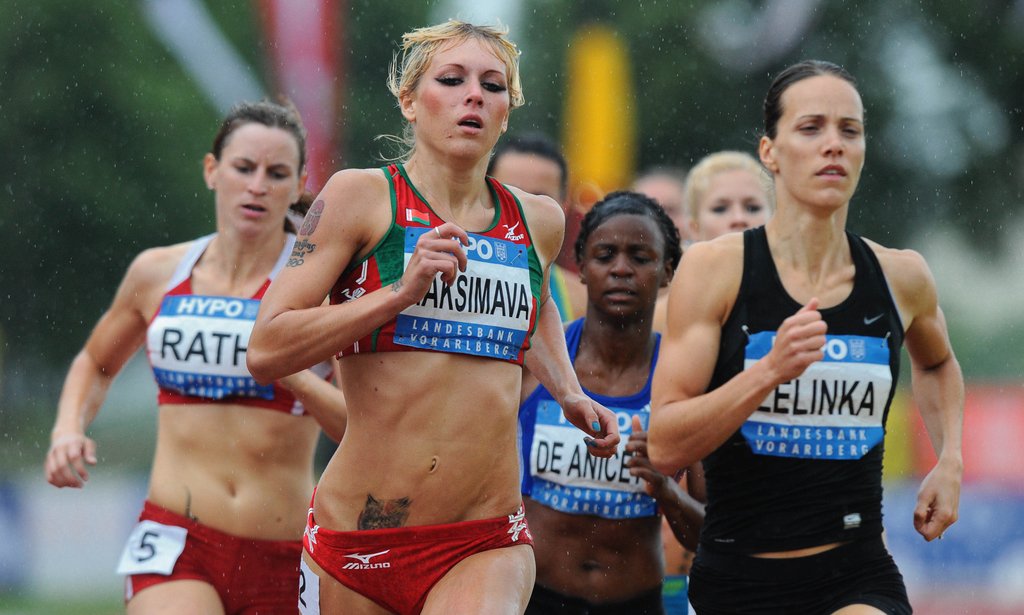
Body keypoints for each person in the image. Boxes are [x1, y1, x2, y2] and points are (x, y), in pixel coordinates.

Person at [246, 20, 620, 615]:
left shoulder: (539, 220)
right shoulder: (358, 197)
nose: (474, 96)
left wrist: (568, 391)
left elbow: (538, 302)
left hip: (484, 539)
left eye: (492, 86)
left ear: (506, 111)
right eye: (451, 80)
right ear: (409, 101)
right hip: (356, 539)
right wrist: (397, 293)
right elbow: (267, 348)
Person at [649, 60, 964, 614]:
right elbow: (666, 444)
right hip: (738, 578)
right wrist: (767, 372)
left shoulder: (901, 276)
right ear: (770, 152)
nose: (833, 144)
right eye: (812, 128)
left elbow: (936, 363)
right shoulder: (715, 270)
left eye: (850, 130)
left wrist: (950, 458)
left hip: (857, 574)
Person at [44, 99, 348, 613]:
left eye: (276, 174)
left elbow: (355, 428)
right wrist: (67, 429)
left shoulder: (319, 291)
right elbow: (96, 363)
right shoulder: (157, 273)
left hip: (285, 550)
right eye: (243, 168)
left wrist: (291, 373)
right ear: (212, 171)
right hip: (176, 540)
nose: (257, 186)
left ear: (299, 184)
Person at [518, 190, 704, 615]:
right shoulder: (538, 360)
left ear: (668, 270)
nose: (621, 269)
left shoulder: (686, 379)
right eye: (605, 255)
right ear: (581, 267)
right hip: (535, 597)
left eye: (640, 257)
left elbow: (711, 534)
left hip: (636, 602)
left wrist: (664, 490)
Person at [488, 132, 587, 322]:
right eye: (511, 195)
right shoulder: (447, 278)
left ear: (564, 207)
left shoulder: (582, 302)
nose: (525, 209)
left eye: (540, 199)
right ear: (483, 195)